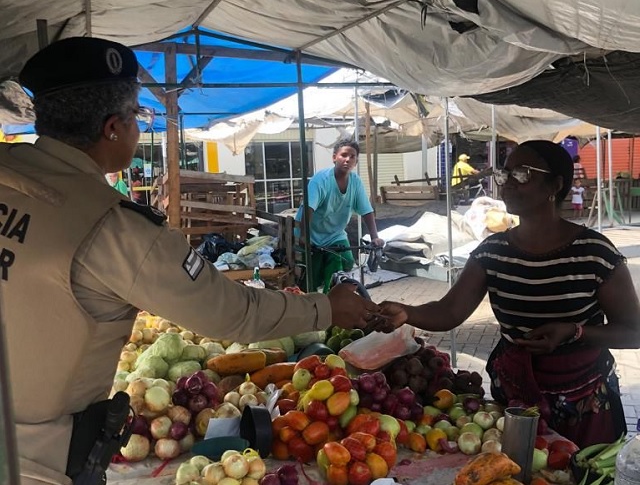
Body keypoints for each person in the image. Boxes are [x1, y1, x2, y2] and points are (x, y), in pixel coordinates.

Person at [0, 37, 381, 485]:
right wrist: (327, 307)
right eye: (138, 116)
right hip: (35, 463)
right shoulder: (114, 228)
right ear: (113, 129)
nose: (139, 127)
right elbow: (230, 312)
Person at [380, 140, 640, 448]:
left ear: (554, 185)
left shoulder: (595, 253)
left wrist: (575, 331)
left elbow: (633, 332)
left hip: (584, 402)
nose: (506, 183)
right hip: (516, 397)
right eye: (505, 174)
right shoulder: (493, 252)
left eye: (522, 174)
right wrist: (408, 312)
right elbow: (449, 311)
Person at [295, 139, 385, 293]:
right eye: (344, 155)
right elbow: (309, 208)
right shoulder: (321, 180)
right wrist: (304, 236)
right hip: (311, 233)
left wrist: (374, 237)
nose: (348, 159)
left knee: (347, 260)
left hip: (335, 235)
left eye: (352, 157)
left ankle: (332, 298)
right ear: (334, 157)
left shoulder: (356, 182)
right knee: (312, 276)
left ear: (356, 162)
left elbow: (366, 211)